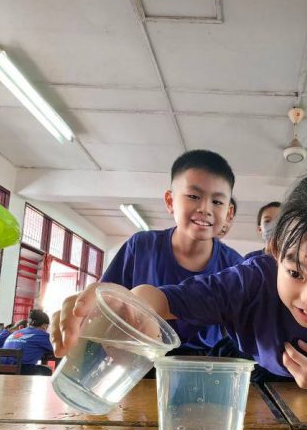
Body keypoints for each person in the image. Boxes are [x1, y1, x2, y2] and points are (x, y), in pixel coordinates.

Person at [52, 168, 307, 393]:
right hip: (250, 374)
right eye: (295, 273)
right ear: (275, 250)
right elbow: (168, 299)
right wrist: (138, 304)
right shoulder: (250, 280)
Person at [101, 150, 243, 355]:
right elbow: (107, 303)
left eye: (217, 202)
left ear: (228, 212)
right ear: (170, 201)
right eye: (194, 196)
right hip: (141, 362)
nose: (205, 208)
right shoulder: (141, 247)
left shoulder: (235, 267)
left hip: (207, 370)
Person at [3, 310, 55, 376]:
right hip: (21, 370)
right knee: (48, 370)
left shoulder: (15, 333)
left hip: (2, 368)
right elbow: (58, 350)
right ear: (44, 325)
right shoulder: (42, 335)